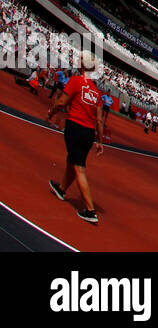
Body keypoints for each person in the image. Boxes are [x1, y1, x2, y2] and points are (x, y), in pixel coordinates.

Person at [46, 50, 105, 224]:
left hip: (75, 126)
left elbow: (62, 102)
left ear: (81, 65)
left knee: (79, 167)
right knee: (73, 159)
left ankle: (90, 210)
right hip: (88, 133)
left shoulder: (76, 81)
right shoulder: (96, 93)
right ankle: (62, 189)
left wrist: (52, 111)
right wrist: (100, 141)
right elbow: (100, 120)